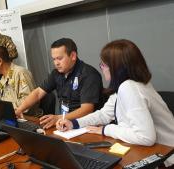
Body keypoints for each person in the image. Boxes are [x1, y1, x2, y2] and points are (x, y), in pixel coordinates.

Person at [56, 39, 174, 167]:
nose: (102, 68)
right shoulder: (128, 85)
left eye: (104, 65)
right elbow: (104, 115)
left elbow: (145, 137)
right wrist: (73, 123)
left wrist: (107, 129)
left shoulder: (130, 88)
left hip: (165, 159)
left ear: (116, 67)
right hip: (151, 152)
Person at [15, 38, 102, 129]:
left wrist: (58, 118)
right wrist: (19, 110)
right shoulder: (56, 73)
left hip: (86, 125)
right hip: (63, 124)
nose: (56, 63)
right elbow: (38, 93)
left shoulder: (88, 74)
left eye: (59, 58)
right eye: (54, 59)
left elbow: (87, 110)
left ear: (73, 56)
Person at [0, 46, 41, 117]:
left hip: (28, 118)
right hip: (11, 116)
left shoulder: (20, 73)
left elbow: (29, 101)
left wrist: (5, 108)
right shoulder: (3, 78)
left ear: (0, 61)